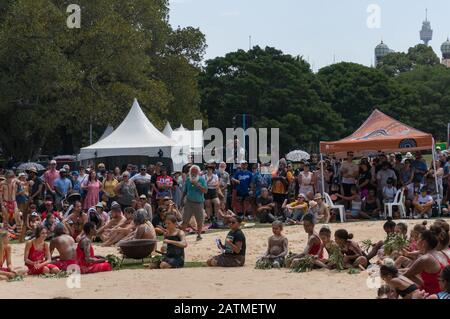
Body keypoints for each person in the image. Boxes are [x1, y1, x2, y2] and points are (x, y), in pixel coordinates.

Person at [404, 230, 448, 294]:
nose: (416, 241)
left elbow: (406, 274)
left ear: (424, 242)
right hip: (444, 292)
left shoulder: (426, 259)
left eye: (418, 239)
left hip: (434, 294)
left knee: (397, 281)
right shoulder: (441, 253)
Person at [181, 165, 207, 241]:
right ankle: (182, 236)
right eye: (192, 172)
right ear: (190, 172)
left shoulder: (202, 180)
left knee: (199, 220)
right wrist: (182, 199)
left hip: (199, 203)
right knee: (185, 219)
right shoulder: (188, 179)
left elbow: (205, 191)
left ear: (198, 172)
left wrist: (198, 185)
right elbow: (185, 191)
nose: (193, 173)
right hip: (189, 202)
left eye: (195, 172)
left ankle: (199, 235)